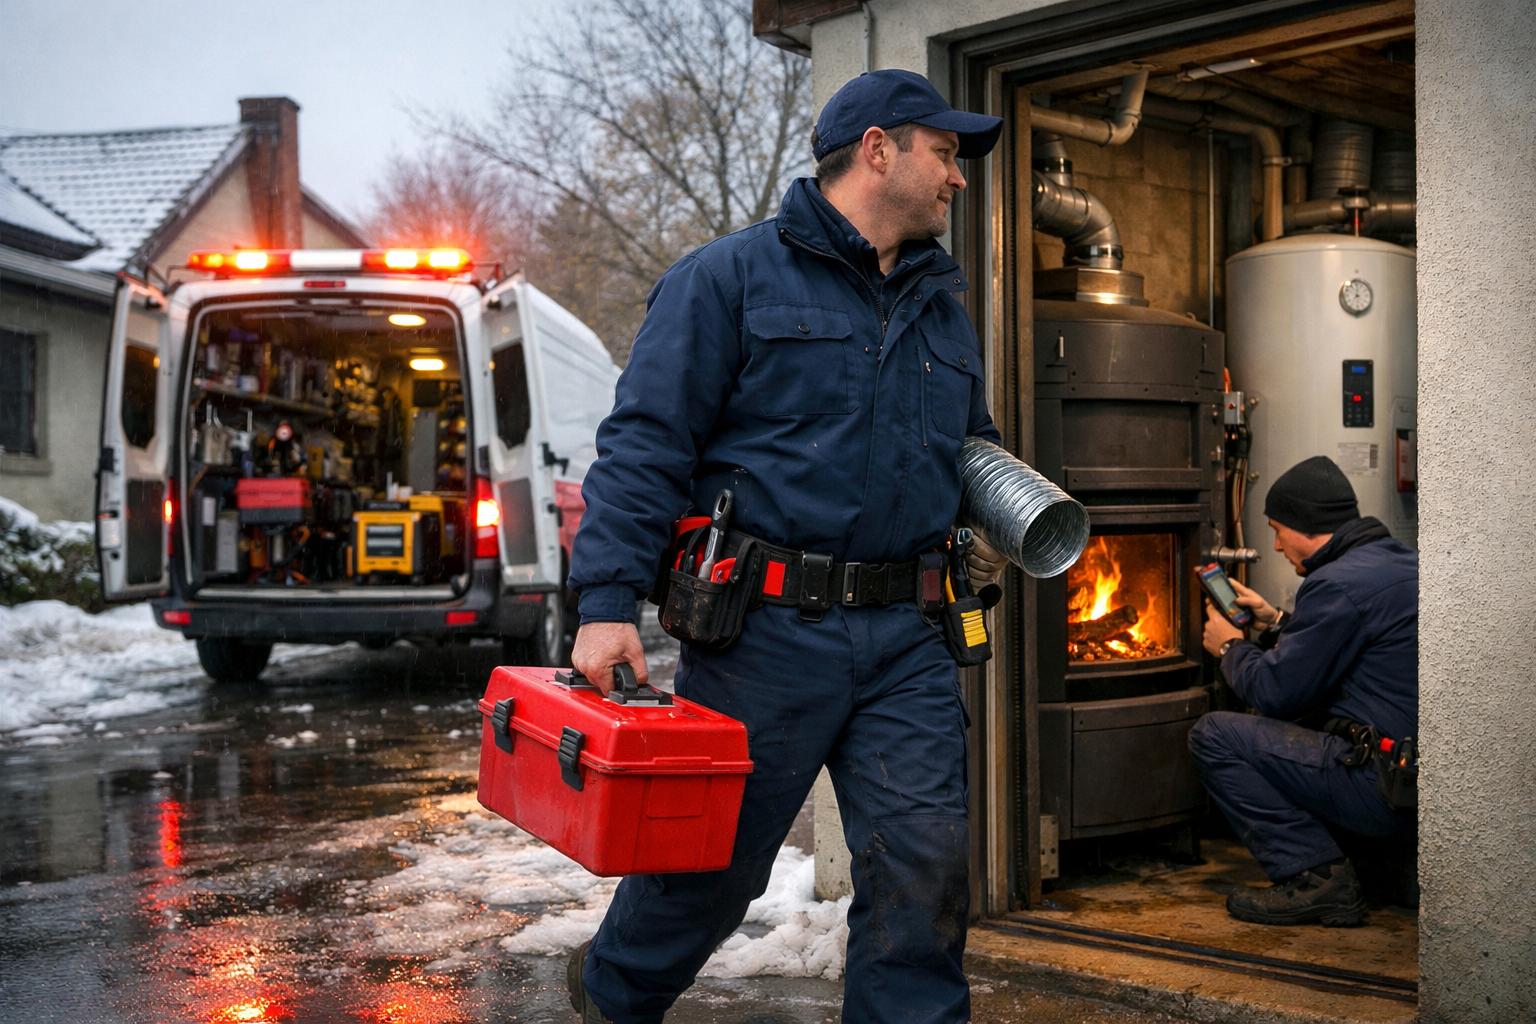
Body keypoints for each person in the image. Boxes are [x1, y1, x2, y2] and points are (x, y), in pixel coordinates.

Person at [563, 69, 1005, 1023]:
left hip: (908, 636)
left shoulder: (943, 307)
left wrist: (1000, 521)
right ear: (878, 150)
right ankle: (615, 994)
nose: (957, 176)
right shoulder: (726, 279)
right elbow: (645, 447)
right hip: (764, 634)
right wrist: (605, 603)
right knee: (711, 866)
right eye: (944, 152)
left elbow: (974, 447)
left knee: (924, 868)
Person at [1192, 455, 1417, 926]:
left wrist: (1230, 647)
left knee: (1214, 735)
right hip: (1412, 781)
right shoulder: (1396, 559)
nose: (1275, 545)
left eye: (1278, 530)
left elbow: (1276, 692)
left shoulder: (1335, 583)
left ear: (1305, 525)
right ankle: (1379, 866)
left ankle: (1317, 879)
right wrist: (1276, 621)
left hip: (1381, 787)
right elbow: (1345, 646)